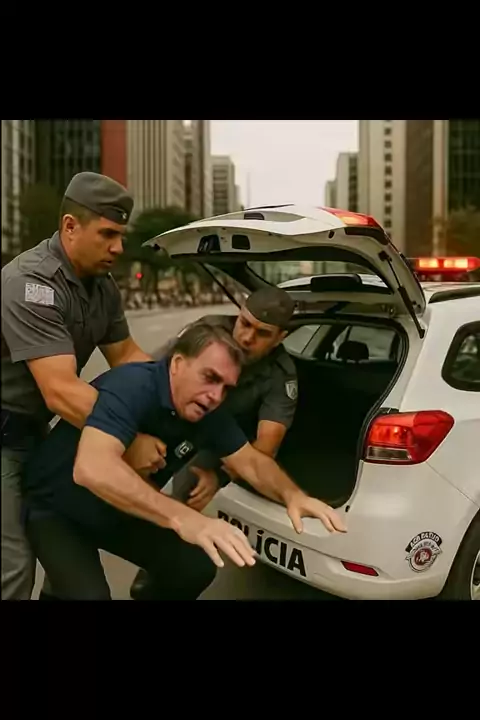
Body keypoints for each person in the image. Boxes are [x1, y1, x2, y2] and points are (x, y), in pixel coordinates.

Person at [21, 323, 347, 600]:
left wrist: (293, 495)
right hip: (57, 508)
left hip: (116, 509)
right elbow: (92, 469)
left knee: (194, 564)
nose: (215, 395)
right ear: (177, 363)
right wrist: (183, 518)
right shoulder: (133, 386)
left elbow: (250, 460)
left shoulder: (208, 411)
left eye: (226, 387)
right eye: (209, 377)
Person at [1, 172, 161, 601]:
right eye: (108, 234)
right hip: (3, 437)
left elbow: (126, 356)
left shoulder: (101, 286)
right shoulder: (31, 283)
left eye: (121, 235)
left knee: (66, 539)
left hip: (38, 433)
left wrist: (177, 387)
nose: (118, 247)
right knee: (13, 566)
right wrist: (129, 440)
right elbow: (62, 392)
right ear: (70, 226)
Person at [131, 285, 300, 598]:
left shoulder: (280, 374)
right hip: (171, 418)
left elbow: (266, 446)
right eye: (245, 323)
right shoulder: (207, 331)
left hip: (217, 439)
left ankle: (159, 570)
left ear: (280, 338)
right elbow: (147, 374)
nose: (246, 337)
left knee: (188, 493)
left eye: (262, 333)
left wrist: (219, 476)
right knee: (126, 484)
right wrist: (137, 434)